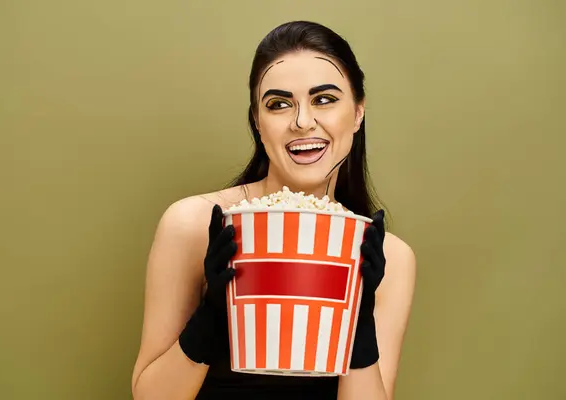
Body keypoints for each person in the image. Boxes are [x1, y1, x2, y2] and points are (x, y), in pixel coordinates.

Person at [131, 20, 417, 400]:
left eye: (325, 99)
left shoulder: (388, 257)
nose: (302, 121)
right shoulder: (196, 224)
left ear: (358, 112)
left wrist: (359, 327)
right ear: (257, 121)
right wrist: (212, 316)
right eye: (279, 104)